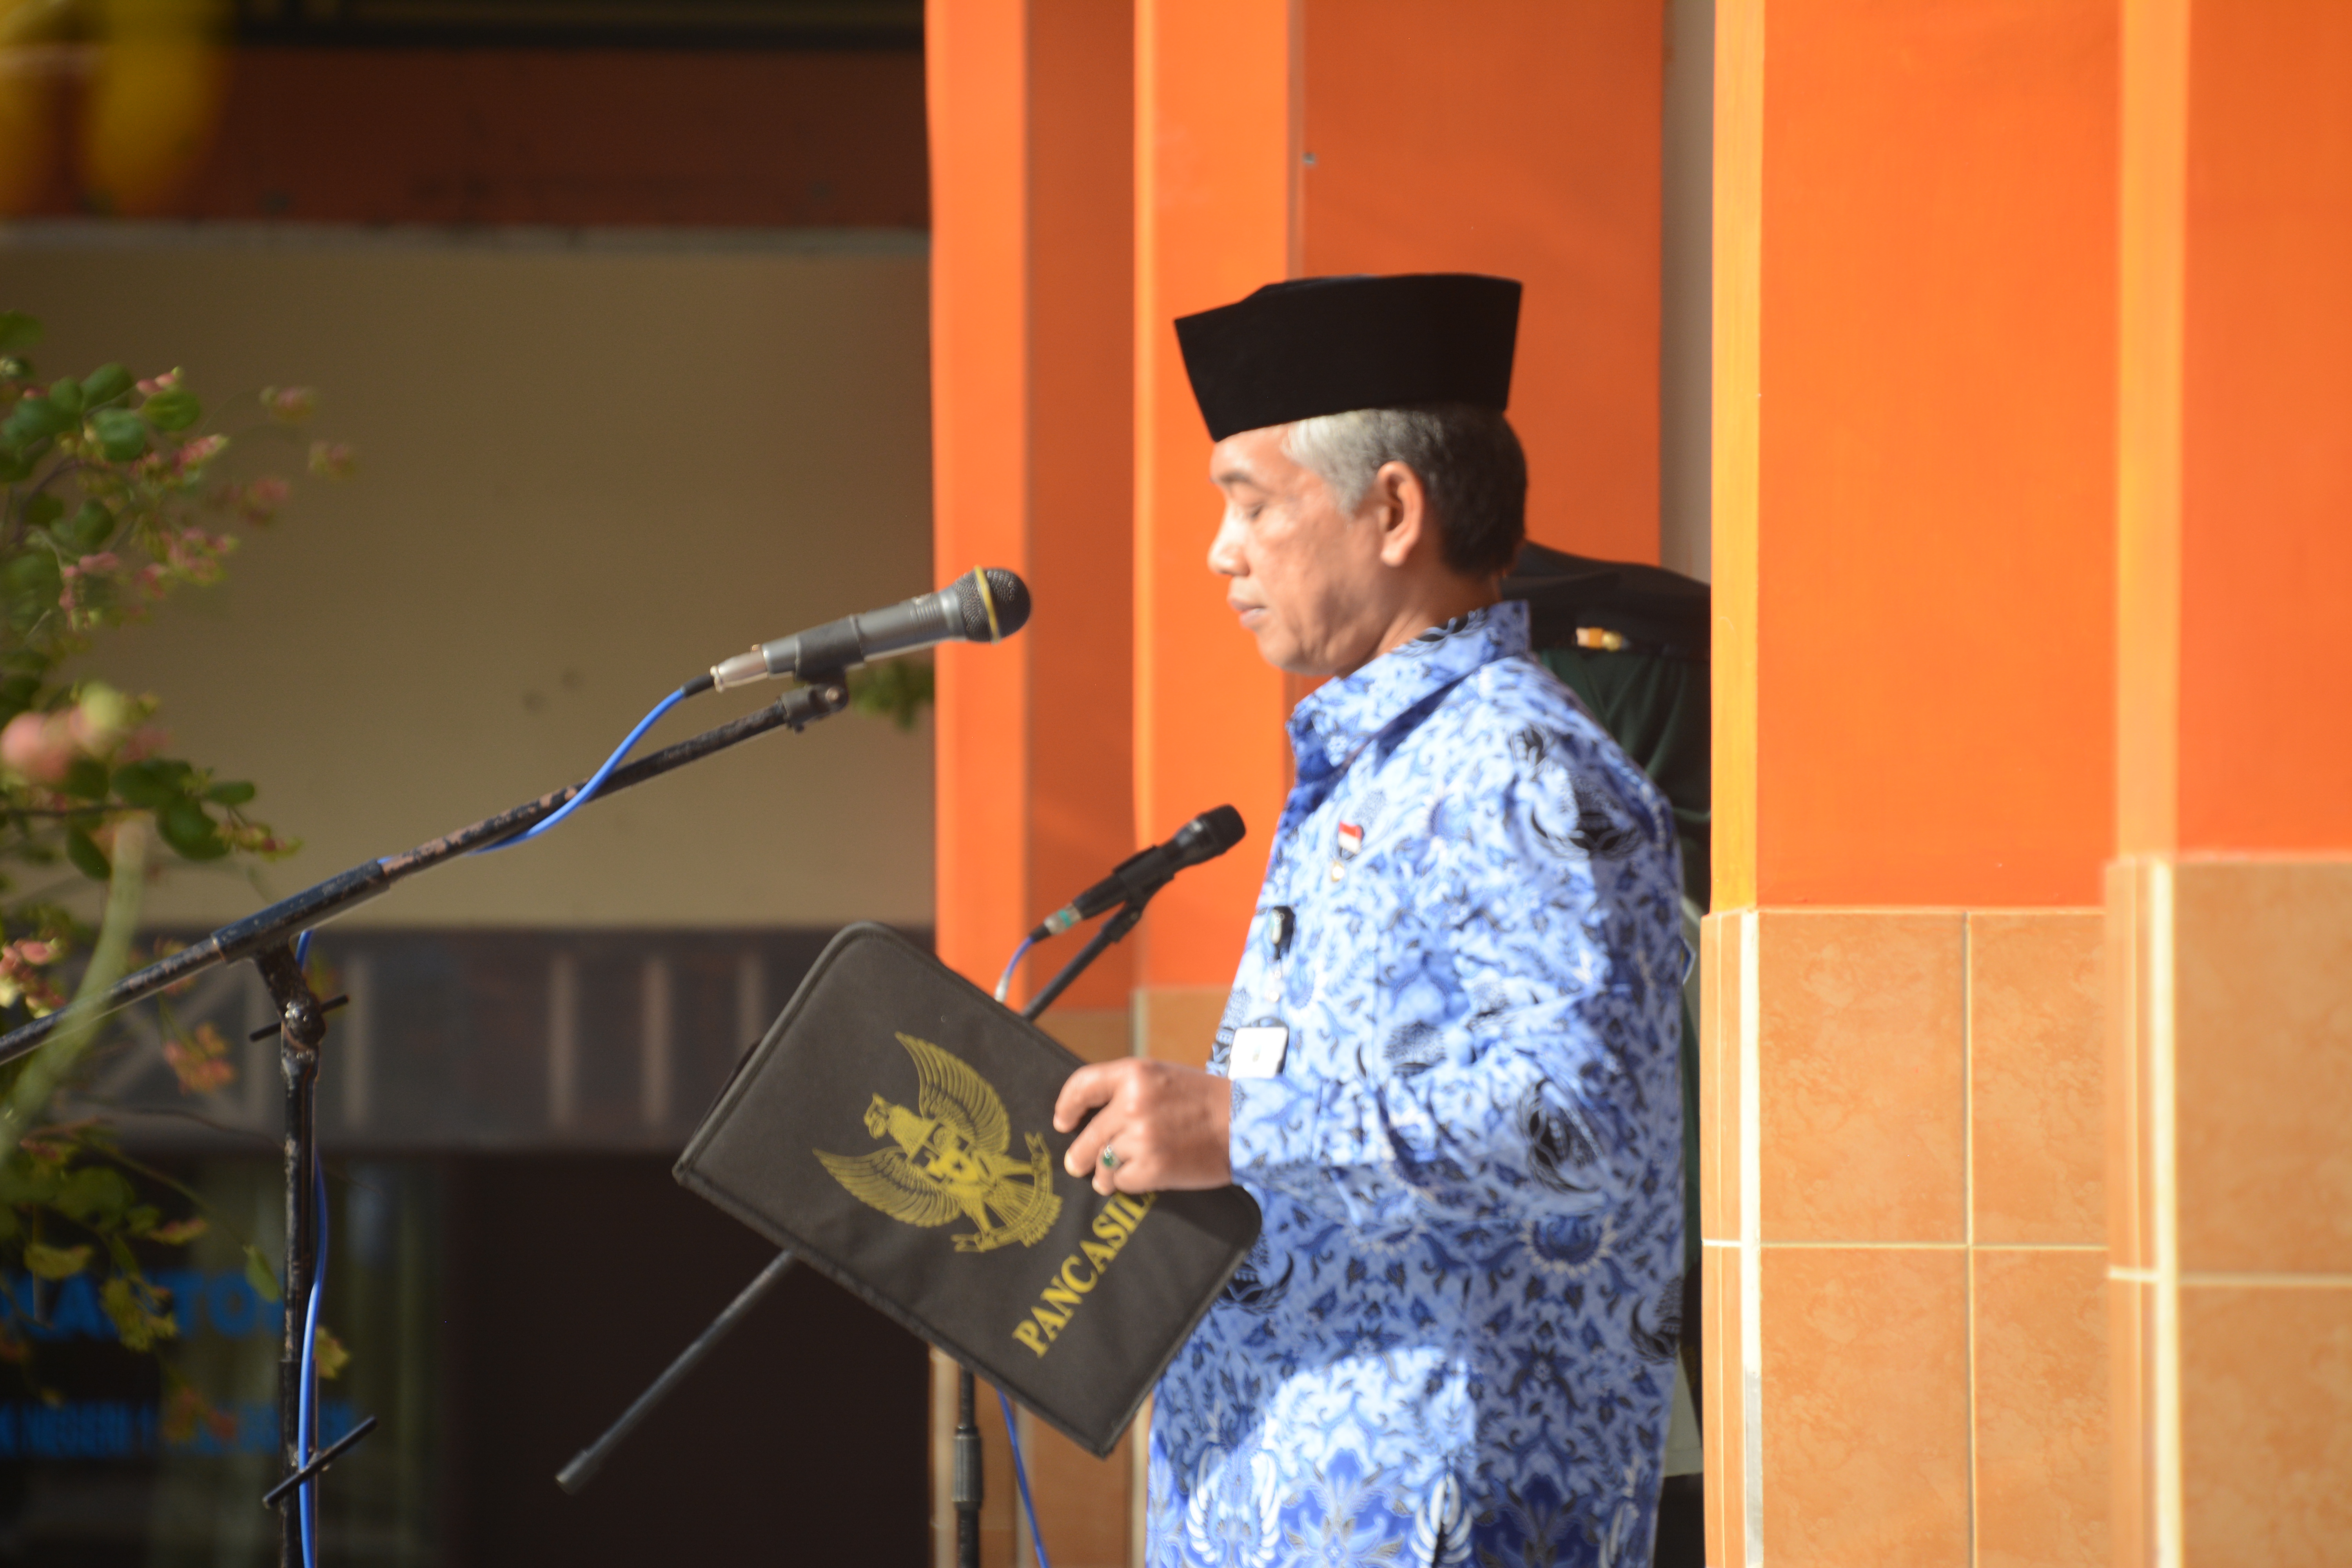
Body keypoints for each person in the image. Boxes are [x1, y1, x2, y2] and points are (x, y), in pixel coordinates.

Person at [1052, 274, 1686, 1568]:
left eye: (1252, 503)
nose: (1222, 550)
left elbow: (1580, 1125)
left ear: (1393, 510)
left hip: (1435, 1518)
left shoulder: (1517, 769)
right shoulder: (1383, 762)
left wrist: (1238, 1127)